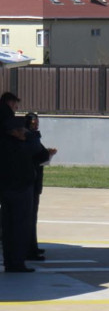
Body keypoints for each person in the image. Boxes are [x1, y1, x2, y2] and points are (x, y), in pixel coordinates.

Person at [0, 117, 49, 273]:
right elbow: (42, 154)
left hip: (6, 189)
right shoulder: (24, 145)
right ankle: (17, 262)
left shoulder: (4, 144)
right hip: (21, 189)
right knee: (21, 227)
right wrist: (31, 135)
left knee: (8, 228)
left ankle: (10, 261)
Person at [24, 113, 57, 261]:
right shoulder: (30, 138)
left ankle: (32, 246)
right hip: (30, 181)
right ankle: (29, 249)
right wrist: (46, 154)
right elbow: (39, 156)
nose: (36, 126)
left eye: (37, 123)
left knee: (32, 218)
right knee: (29, 218)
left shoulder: (33, 137)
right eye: (34, 123)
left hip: (33, 181)